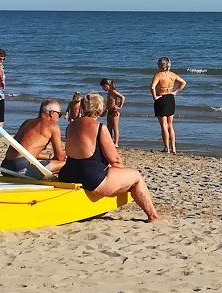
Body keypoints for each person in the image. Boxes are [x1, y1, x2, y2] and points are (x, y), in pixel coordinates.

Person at [61, 92, 162, 220]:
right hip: (91, 178)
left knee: (115, 175)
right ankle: (153, 216)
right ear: (100, 109)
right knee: (135, 176)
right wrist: (121, 172)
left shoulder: (70, 126)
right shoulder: (100, 128)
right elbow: (115, 160)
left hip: (68, 174)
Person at [1, 99, 67, 177]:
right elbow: (60, 157)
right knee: (67, 164)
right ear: (52, 113)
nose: (59, 118)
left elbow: (27, 151)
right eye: (59, 114)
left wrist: (48, 157)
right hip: (20, 169)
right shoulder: (52, 126)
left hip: (5, 167)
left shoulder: (27, 122)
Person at [150, 56, 186, 154]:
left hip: (161, 98)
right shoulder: (172, 75)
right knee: (170, 125)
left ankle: (167, 148)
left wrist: (154, 97)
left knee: (164, 126)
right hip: (170, 98)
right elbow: (183, 82)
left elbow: (152, 87)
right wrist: (175, 91)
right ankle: (173, 148)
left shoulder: (158, 75)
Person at [100, 77, 126, 145]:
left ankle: (116, 143)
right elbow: (109, 103)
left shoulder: (113, 91)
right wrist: (105, 111)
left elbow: (122, 97)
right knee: (109, 127)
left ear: (107, 85)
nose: (103, 89)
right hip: (109, 111)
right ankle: (110, 141)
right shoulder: (108, 92)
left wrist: (119, 106)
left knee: (115, 127)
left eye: (103, 87)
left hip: (115, 112)